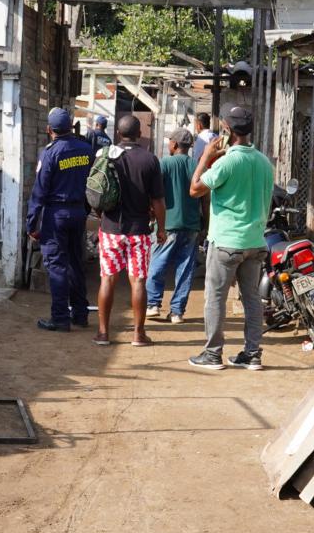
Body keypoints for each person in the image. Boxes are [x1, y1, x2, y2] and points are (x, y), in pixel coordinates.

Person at [187, 104, 275, 371]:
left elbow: (195, 189)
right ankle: (252, 354)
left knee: (215, 297)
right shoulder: (263, 161)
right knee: (251, 299)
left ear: (226, 129)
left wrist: (205, 156)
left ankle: (212, 354)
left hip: (226, 242)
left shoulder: (228, 162)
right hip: (255, 242)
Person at [94, 114, 164, 347]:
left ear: (118, 134)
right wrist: (161, 229)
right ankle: (138, 334)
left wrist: (100, 214)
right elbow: (157, 201)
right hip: (139, 231)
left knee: (108, 279)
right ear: (139, 134)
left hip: (111, 228)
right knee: (138, 282)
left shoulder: (106, 156)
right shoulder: (149, 160)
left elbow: (95, 190)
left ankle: (103, 333)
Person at [28, 107, 94, 332]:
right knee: (76, 263)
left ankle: (60, 318)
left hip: (56, 215)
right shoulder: (87, 150)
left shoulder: (50, 153)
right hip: (78, 213)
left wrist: (31, 222)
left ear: (49, 130)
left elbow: (40, 191)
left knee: (56, 266)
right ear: (71, 127)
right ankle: (80, 314)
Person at [146, 127, 201, 325]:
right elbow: (205, 197)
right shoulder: (196, 165)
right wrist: (205, 224)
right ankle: (177, 312)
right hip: (192, 224)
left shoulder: (165, 163)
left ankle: (153, 304)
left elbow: (154, 194)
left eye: (170, 141)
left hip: (168, 223)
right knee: (185, 269)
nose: (168, 144)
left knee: (158, 263)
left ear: (175, 144)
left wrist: (151, 214)